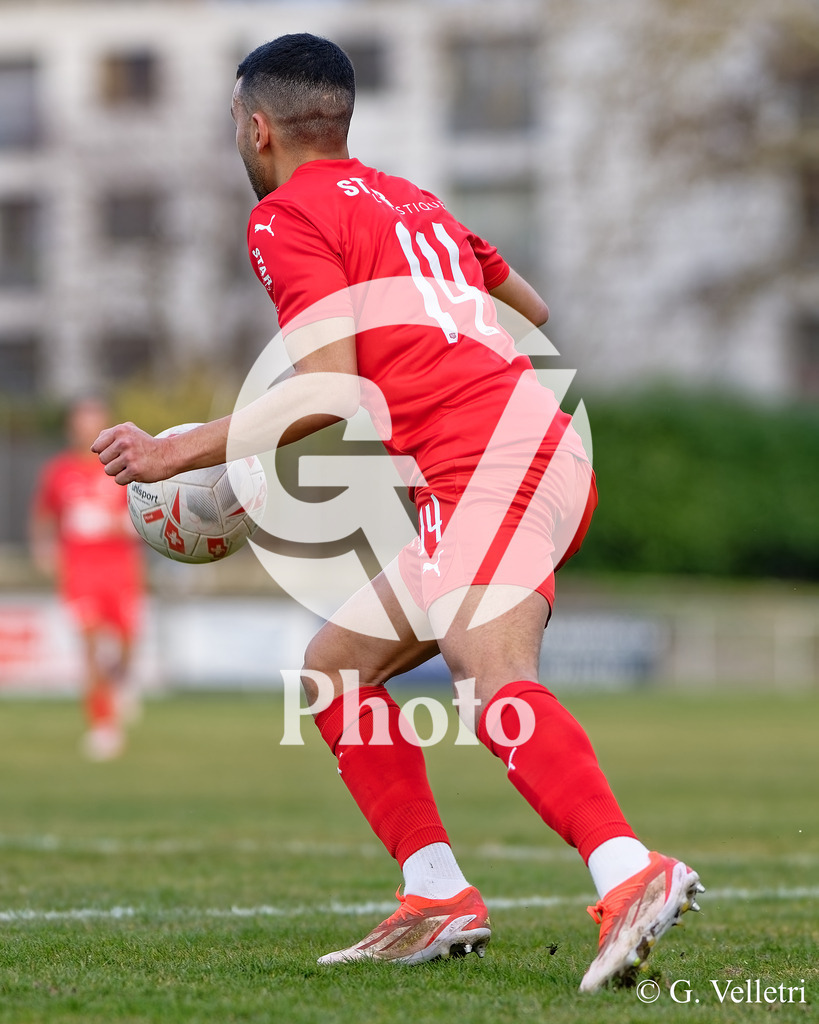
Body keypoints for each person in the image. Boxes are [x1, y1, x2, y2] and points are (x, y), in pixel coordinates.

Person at [92, 34, 703, 991]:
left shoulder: (287, 218)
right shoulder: (415, 200)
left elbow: (330, 395)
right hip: (507, 451)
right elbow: (530, 305)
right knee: (335, 671)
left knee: (490, 675)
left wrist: (177, 449)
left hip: (493, 462)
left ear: (257, 129)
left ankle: (631, 871)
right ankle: (435, 897)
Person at [31, 395, 144, 761]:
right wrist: (43, 551)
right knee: (91, 644)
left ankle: (120, 683)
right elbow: (43, 516)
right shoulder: (58, 471)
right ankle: (103, 725)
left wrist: (114, 524)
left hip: (121, 568)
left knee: (128, 643)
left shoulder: (126, 468)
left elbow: (146, 519)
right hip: (79, 571)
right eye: (82, 419)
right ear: (71, 425)